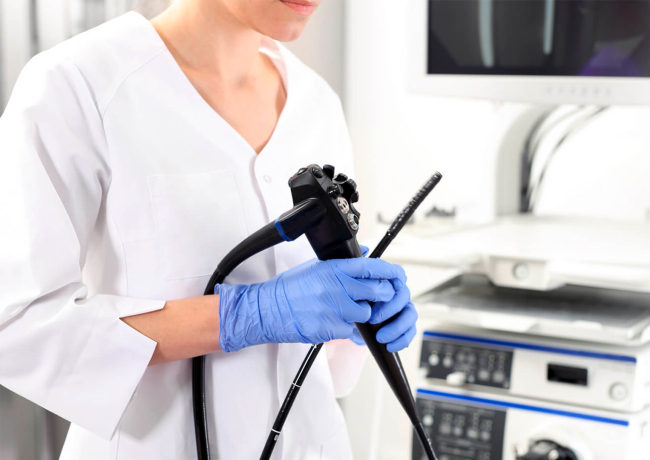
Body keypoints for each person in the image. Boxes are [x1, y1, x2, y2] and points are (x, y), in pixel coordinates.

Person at [0, 1, 418, 458]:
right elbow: (17, 324)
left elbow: (328, 364)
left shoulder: (316, 101)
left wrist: (360, 306)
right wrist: (245, 315)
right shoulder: (78, 85)